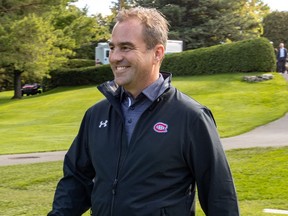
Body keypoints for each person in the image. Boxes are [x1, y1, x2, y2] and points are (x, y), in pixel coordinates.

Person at [48, 7, 239, 216]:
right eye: (112, 48)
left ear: (157, 53)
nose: (114, 57)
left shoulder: (191, 117)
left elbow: (220, 197)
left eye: (126, 47)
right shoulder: (96, 115)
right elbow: (75, 181)